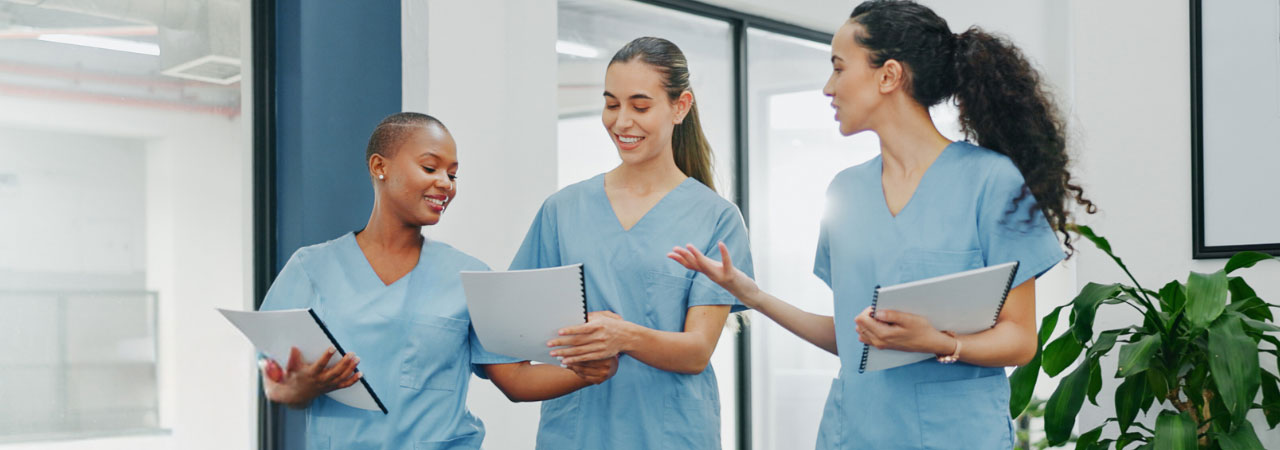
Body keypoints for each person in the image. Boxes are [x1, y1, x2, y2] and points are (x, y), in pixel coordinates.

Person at [669, 1, 1096, 448]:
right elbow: (854, 340)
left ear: (888, 75)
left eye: (838, 68)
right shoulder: (845, 192)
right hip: (854, 432)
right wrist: (748, 293)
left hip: (956, 435)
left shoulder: (991, 182)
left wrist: (940, 341)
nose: (828, 87)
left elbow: (1020, 339)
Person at [258, 112, 618, 449]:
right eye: (430, 167)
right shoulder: (311, 268)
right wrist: (298, 389)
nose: (445, 183)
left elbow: (517, 381)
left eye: (453, 174)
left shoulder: (467, 277)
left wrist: (589, 371)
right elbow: (277, 385)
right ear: (379, 166)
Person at [502, 37, 753, 449]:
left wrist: (624, 336)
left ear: (680, 106)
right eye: (611, 104)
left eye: (639, 106)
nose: (621, 122)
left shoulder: (716, 218)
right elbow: (517, 335)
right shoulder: (562, 210)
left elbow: (696, 352)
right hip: (576, 433)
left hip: (671, 435)